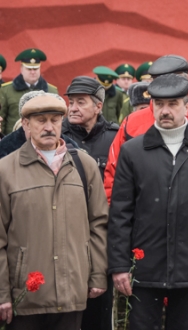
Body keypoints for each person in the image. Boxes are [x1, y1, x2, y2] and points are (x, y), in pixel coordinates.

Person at [102, 55, 188, 327]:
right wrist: (120, 266)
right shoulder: (133, 151)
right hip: (144, 267)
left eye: (173, 104)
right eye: (159, 104)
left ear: (187, 105)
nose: (165, 111)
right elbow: (121, 213)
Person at [0, 93, 108, 330]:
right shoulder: (5, 170)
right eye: (41, 120)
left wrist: (98, 274)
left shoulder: (84, 165)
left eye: (55, 120)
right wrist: (2, 293)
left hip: (72, 294)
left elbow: (99, 224)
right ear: (26, 124)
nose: (49, 127)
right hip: (26, 297)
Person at [60, 76, 120, 329]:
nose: (73, 108)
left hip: (101, 238)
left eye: (81, 102)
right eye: (71, 102)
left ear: (98, 106)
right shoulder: (58, 137)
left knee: (99, 311)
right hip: (65, 237)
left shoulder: (115, 138)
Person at [0, 48, 58, 136]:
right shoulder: (6, 90)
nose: (32, 72)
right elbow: (2, 119)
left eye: (35, 69)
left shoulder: (51, 91)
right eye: (29, 69)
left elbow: (57, 118)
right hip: (13, 139)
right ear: (21, 69)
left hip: (43, 137)